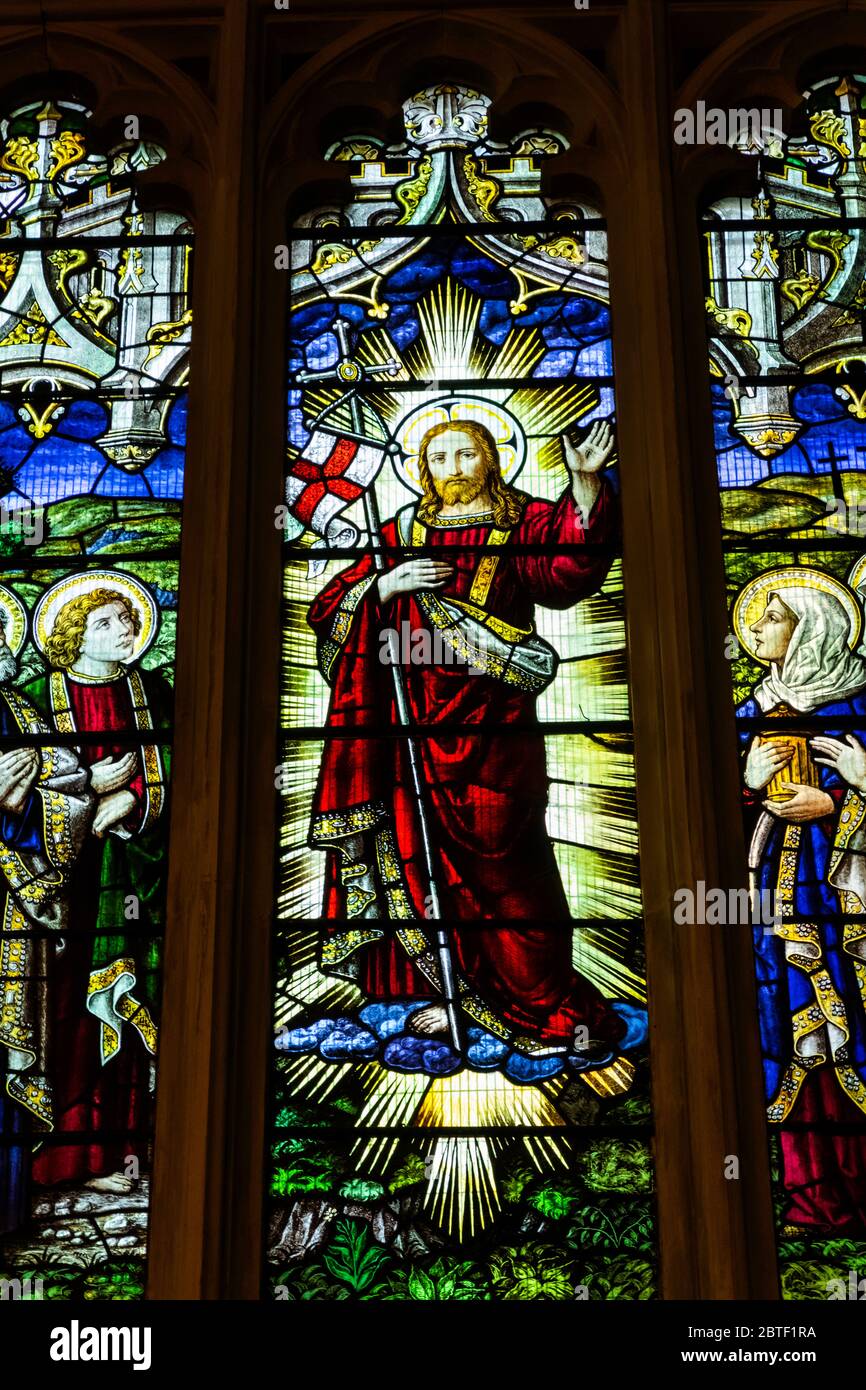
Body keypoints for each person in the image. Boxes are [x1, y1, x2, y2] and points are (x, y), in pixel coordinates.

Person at [307, 416, 626, 1059]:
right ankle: (449, 991)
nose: (453, 466)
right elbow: (329, 609)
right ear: (424, 467)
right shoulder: (396, 531)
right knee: (418, 859)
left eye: (466, 452)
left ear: (491, 459)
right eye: (439, 455)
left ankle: (540, 996)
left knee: (511, 867)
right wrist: (381, 586)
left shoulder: (525, 522)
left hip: (495, 729)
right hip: (408, 730)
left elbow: (567, 568)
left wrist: (586, 484)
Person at [26, 579, 170, 1193]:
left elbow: (190, 775)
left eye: (128, 621)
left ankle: (120, 1153)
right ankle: (65, 1156)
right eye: (107, 623)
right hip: (63, 887)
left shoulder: (155, 694)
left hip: (137, 876)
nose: (125, 632)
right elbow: (16, 802)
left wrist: (135, 803)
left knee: (131, 1007)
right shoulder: (32, 699)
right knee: (67, 1013)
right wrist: (85, 788)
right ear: (72, 634)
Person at [739, 577, 866, 1231]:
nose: (756, 630)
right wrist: (747, 785)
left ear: (812, 627)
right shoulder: (754, 708)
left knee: (855, 1029)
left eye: (772, 618)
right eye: (754, 620)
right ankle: (812, 1191)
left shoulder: (858, 700)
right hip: (774, 908)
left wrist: (842, 799)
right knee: (795, 1037)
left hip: (849, 908)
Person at [0, 598, 92, 1231]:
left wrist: (34, 800)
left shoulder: (20, 711)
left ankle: (5, 1209)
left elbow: (65, 790)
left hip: (12, 909)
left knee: (9, 1053)